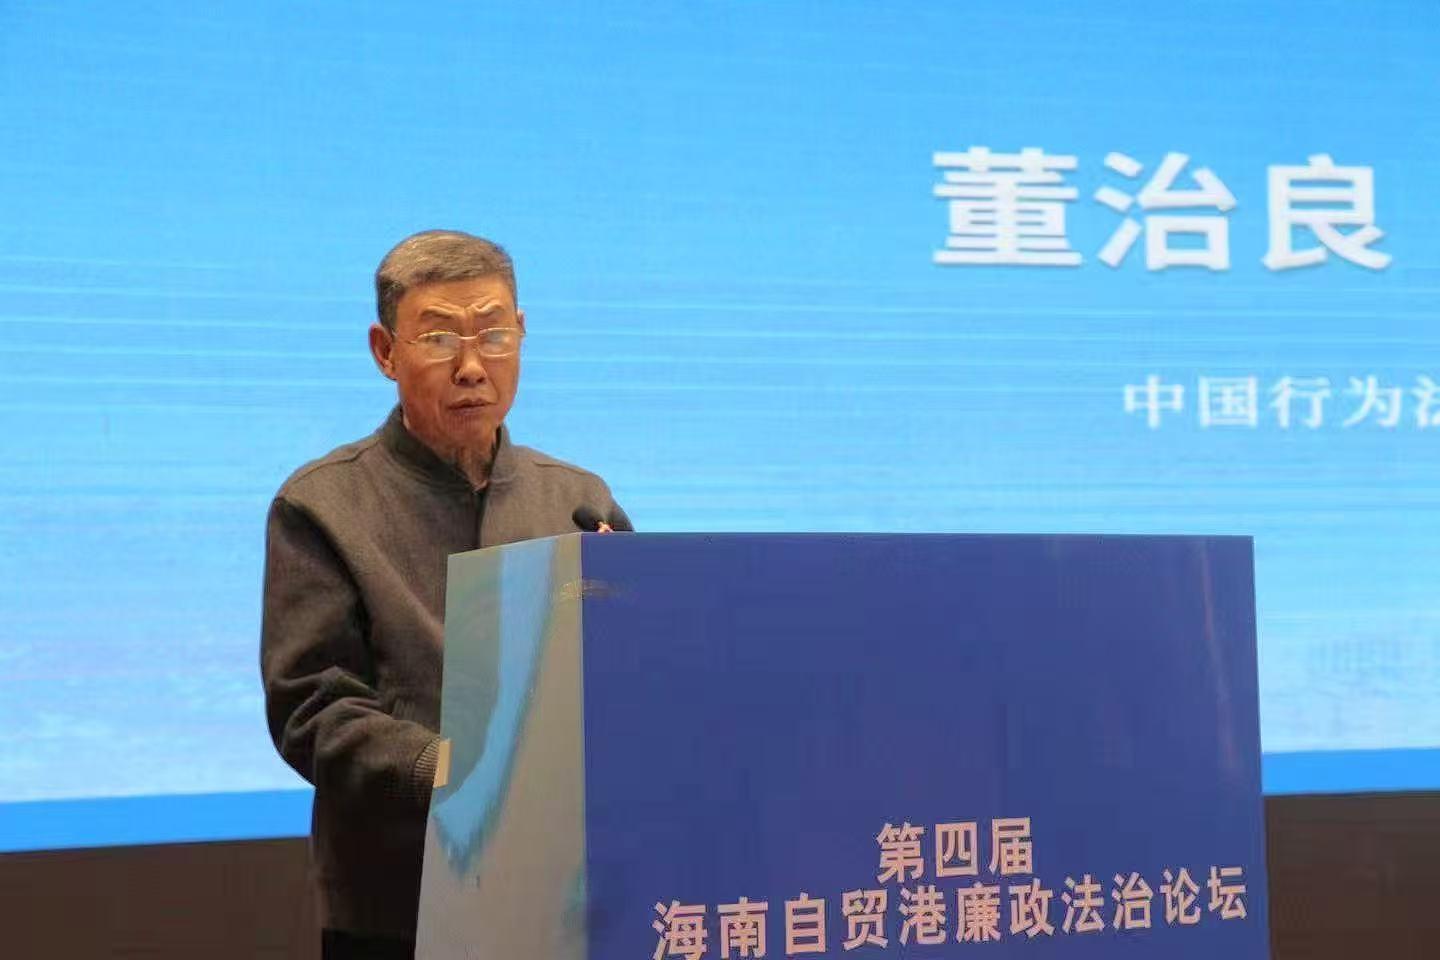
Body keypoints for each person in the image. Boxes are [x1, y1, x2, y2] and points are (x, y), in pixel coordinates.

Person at [260, 230, 627, 959]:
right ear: (384, 352)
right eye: (438, 340)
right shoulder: (323, 505)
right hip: (401, 904)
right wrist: (451, 771)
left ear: (521, 333)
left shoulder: (577, 500)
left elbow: (631, 689)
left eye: (494, 335)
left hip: (562, 899)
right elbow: (313, 709)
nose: (472, 367)